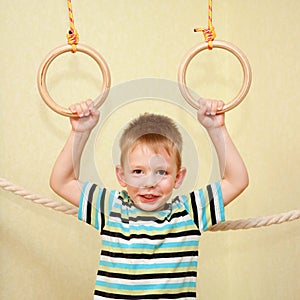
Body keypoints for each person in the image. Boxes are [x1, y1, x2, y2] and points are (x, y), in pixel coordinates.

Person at [50, 98, 248, 300]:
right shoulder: (112, 208)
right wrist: (80, 132)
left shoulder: (189, 212)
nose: (149, 182)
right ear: (122, 176)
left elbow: (236, 180)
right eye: (138, 171)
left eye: (161, 172)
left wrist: (217, 128)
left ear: (178, 177)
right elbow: (62, 182)